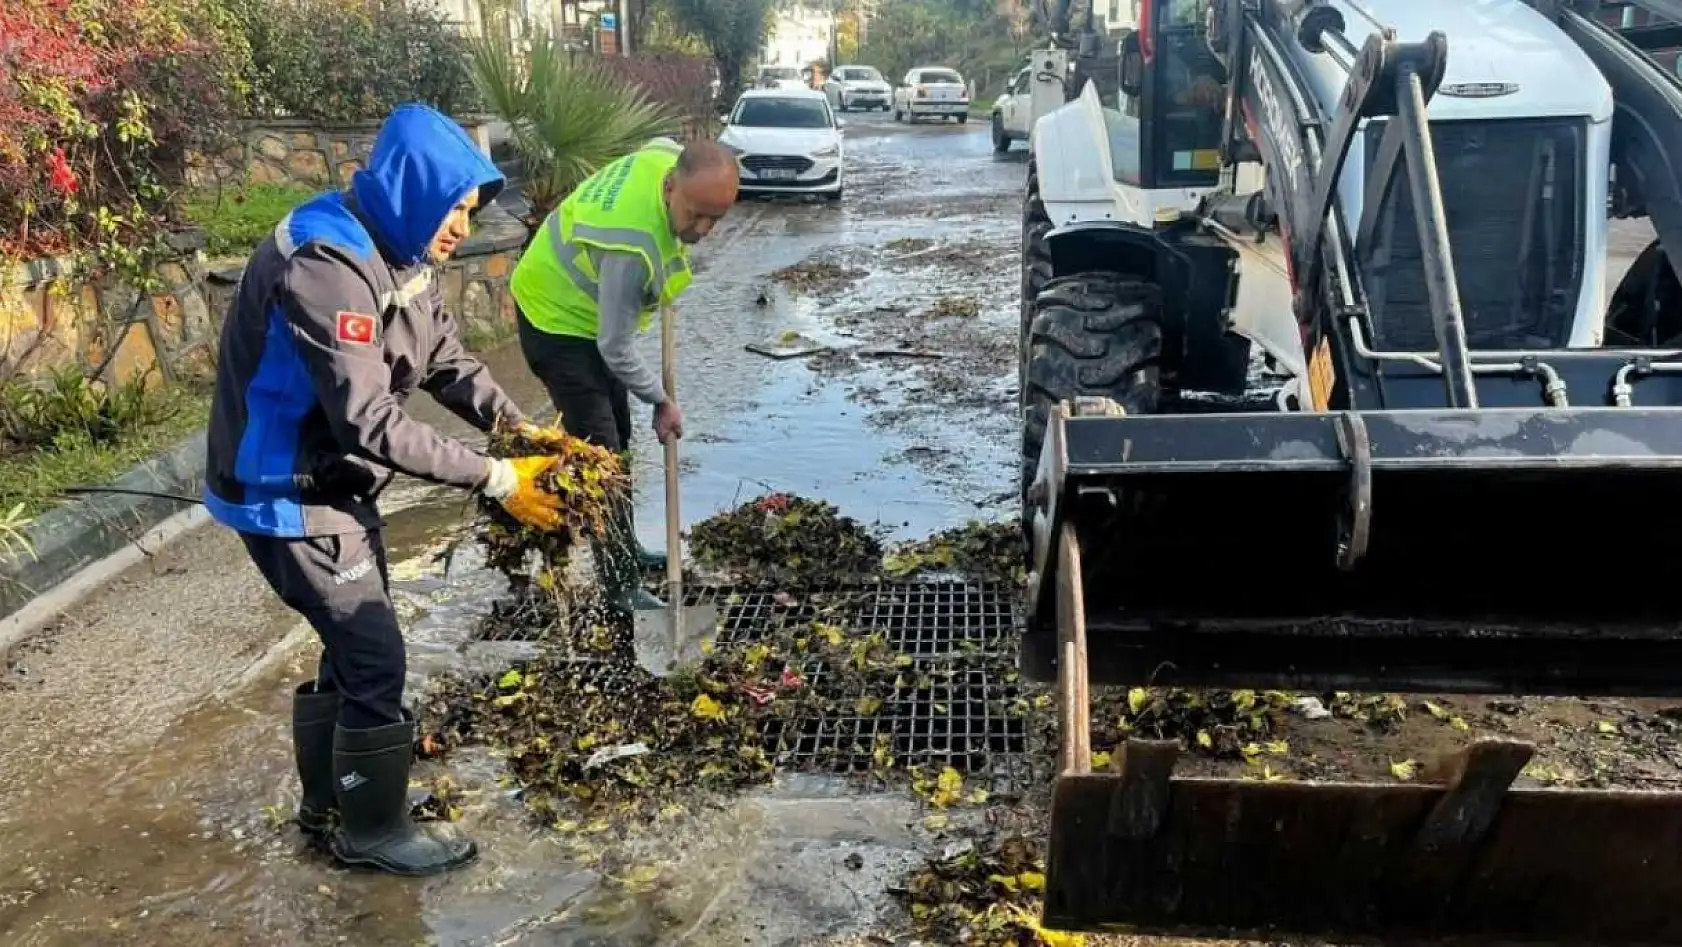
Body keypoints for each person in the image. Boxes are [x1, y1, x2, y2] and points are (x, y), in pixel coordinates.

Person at [204, 102, 568, 877]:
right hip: (286, 488)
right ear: (413, 192)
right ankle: (372, 830)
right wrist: (498, 478)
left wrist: (518, 429)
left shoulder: (400, 250)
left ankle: (331, 803)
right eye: (454, 209)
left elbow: (444, 359)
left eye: (470, 212)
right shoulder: (326, 263)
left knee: (353, 644)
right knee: (374, 655)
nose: (463, 227)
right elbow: (368, 419)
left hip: (331, 481)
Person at [509, 137, 739, 617]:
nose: (702, 230)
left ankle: (624, 547)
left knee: (620, 432)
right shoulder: (632, 247)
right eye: (696, 214)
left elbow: (660, 142)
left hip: (583, 313)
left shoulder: (663, 158)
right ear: (671, 187)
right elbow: (614, 346)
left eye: (715, 219)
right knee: (603, 453)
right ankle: (619, 585)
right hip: (555, 322)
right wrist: (661, 399)